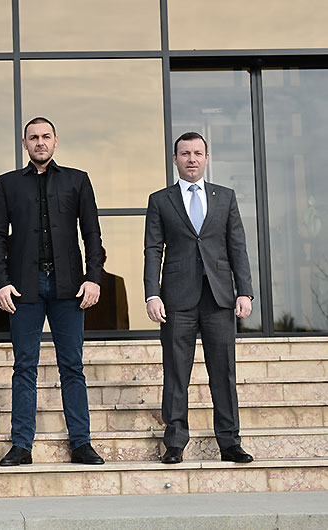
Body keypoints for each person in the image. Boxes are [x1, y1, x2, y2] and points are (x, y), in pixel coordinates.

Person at [0, 117, 105, 466]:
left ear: (56, 141)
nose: (40, 142)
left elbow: (92, 234)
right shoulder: (7, 184)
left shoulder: (77, 180)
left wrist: (94, 278)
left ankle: (81, 443)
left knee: (72, 366)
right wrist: (1, 281)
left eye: (46, 136)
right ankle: (22, 446)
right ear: (24, 143)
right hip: (24, 287)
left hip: (69, 287)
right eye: (34, 137)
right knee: (24, 367)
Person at [144, 131, 254, 464]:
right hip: (177, 299)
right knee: (176, 373)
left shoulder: (226, 197)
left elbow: (237, 247)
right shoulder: (160, 200)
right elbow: (153, 250)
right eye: (185, 154)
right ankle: (175, 443)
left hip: (219, 298)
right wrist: (152, 294)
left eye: (197, 153)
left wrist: (244, 291)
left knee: (224, 373)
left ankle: (230, 443)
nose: (191, 159)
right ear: (175, 159)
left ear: (207, 158)